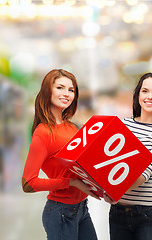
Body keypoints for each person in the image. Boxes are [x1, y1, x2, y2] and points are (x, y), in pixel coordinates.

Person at [22, 69, 100, 240]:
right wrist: (71, 182)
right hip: (60, 212)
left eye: (71, 90)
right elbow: (28, 183)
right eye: (60, 88)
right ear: (47, 91)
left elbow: (80, 167)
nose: (66, 94)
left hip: (82, 209)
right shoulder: (43, 132)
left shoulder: (73, 127)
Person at [104, 72, 152, 240]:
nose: (149, 96)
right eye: (145, 91)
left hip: (149, 214)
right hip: (117, 213)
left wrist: (110, 188)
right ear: (138, 94)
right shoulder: (123, 125)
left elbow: (140, 177)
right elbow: (106, 163)